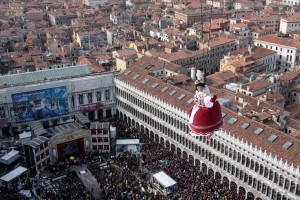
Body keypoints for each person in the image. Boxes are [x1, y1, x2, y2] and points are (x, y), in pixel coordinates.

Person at [188, 70, 223, 140]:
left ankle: (209, 133)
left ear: (202, 86)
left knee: (206, 121)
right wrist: (197, 100)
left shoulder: (205, 91)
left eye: (200, 87)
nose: (198, 88)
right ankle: (207, 132)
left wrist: (206, 96)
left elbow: (208, 97)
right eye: (197, 87)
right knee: (192, 116)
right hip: (199, 106)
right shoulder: (198, 91)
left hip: (206, 107)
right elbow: (196, 97)